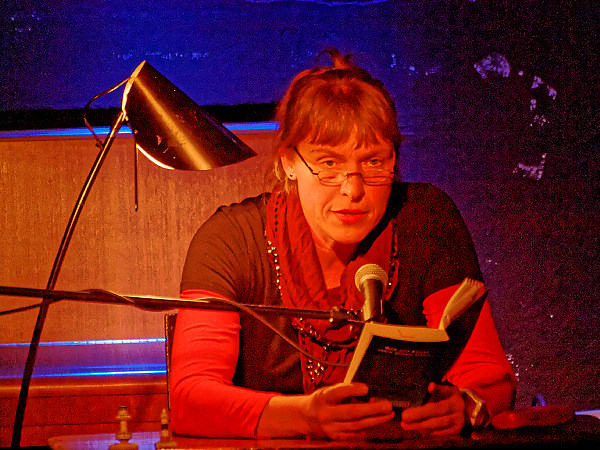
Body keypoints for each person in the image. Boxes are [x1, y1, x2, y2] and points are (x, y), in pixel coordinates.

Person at [170, 49, 516, 440]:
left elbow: (490, 376)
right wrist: (306, 416)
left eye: (374, 163)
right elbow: (190, 399)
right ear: (289, 162)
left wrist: (468, 405)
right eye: (329, 164)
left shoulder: (425, 219)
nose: (353, 190)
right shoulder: (230, 240)